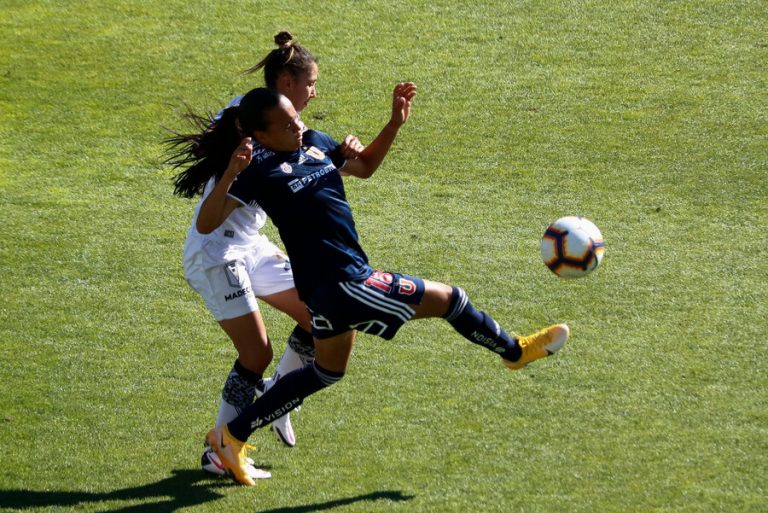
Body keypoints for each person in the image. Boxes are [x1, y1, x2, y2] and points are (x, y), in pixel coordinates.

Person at [173, 85, 570, 487]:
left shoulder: (314, 143)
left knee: (327, 371)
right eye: (286, 124)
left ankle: (232, 436)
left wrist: (393, 125)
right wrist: (230, 173)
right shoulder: (257, 170)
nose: (298, 125)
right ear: (261, 135)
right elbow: (207, 223)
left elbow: (364, 167)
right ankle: (514, 350)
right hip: (345, 282)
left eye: (296, 116)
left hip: (329, 288)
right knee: (452, 299)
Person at [166, 32, 368, 479]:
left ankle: (279, 396)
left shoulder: (278, 120)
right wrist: (236, 166)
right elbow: (211, 213)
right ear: (284, 82)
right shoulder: (254, 121)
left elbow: (347, 166)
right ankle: (219, 450)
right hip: (217, 251)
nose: (314, 92)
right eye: (309, 82)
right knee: (255, 353)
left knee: (320, 318)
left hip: (250, 243)